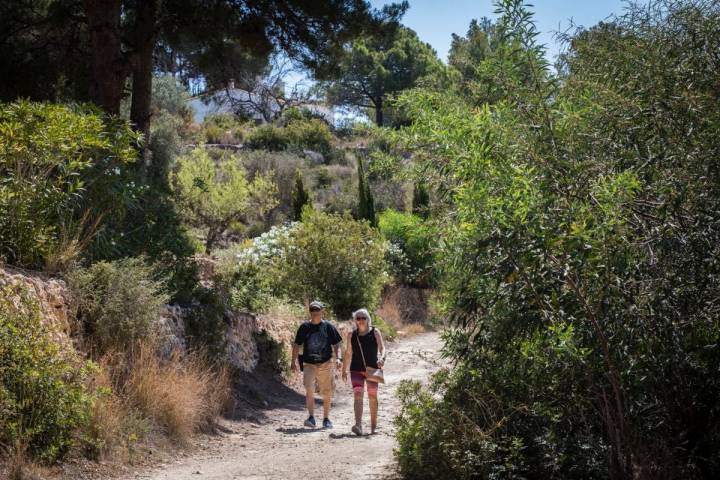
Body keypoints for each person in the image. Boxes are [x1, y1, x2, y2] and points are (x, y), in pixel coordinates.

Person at [290, 300, 343, 429]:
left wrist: (339, 358)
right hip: (309, 364)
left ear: (321, 311)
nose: (315, 313)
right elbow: (297, 344)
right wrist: (293, 361)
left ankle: (326, 419)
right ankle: (311, 417)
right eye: (312, 310)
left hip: (325, 363)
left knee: (327, 392)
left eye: (317, 310)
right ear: (310, 312)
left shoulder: (328, 327)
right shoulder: (304, 327)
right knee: (309, 388)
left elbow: (337, 344)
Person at [341, 308, 386, 435]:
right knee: (358, 395)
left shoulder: (375, 332)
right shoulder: (352, 335)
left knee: (372, 396)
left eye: (363, 318)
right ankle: (358, 425)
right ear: (355, 320)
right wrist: (344, 369)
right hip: (356, 369)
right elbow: (348, 353)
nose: (360, 320)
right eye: (358, 318)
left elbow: (382, 348)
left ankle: (373, 426)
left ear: (368, 319)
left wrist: (382, 358)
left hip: (372, 369)